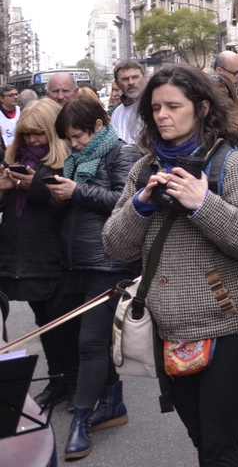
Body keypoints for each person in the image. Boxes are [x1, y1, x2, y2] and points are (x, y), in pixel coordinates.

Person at [102, 64, 238, 467]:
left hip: (231, 324)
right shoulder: (143, 168)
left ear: (202, 107)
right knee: (200, 439)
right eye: (155, 108)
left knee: (218, 445)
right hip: (170, 328)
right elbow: (115, 246)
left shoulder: (232, 164)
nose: (162, 115)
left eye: (173, 106)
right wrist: (140, 205)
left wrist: (202, 203)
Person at [49, 97, 141, 459]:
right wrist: (59, 195)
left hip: (109, 263)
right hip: (77, 262)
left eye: (78, 136)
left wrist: (77, 191)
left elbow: (125, 202)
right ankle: (112, 402)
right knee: (91, 342)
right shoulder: (76, 161)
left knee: (90, 342)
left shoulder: (123, 153)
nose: (73, 145)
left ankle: (81, 421)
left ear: (99, 126)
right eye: (68, 139)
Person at [0, 99, 79, 412]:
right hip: (23, 257)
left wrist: (34, 187)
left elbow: (67, 207)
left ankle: (73, 382)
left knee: (63, 325)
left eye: (39, 133)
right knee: (43, 322)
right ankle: (58, 380)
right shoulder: (15, 160)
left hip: (54, 255)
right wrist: (3, 189)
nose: (32, 140)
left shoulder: (67, 163)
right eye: (27, 134)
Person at [108, 61, 146, 145]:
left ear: (144, 78)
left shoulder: (154, 108)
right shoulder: (116, 112)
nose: (131, 82)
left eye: (135, 77)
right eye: (125, 79)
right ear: (117, 84)